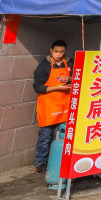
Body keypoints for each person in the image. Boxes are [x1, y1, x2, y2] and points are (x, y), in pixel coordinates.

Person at [33, 40, 72, 174]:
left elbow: (80, 78)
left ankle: (55, 163)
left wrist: (70, 79)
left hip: (64, 107)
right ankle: (40, 164)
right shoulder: (43, 67)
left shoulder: (70, 63)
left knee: (60, 138)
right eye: (56, 51)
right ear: (51, 51)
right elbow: (37, 87)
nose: (58, 54)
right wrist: (58, 87)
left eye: (61, 52)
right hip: (48, 107)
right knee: (45, 137)